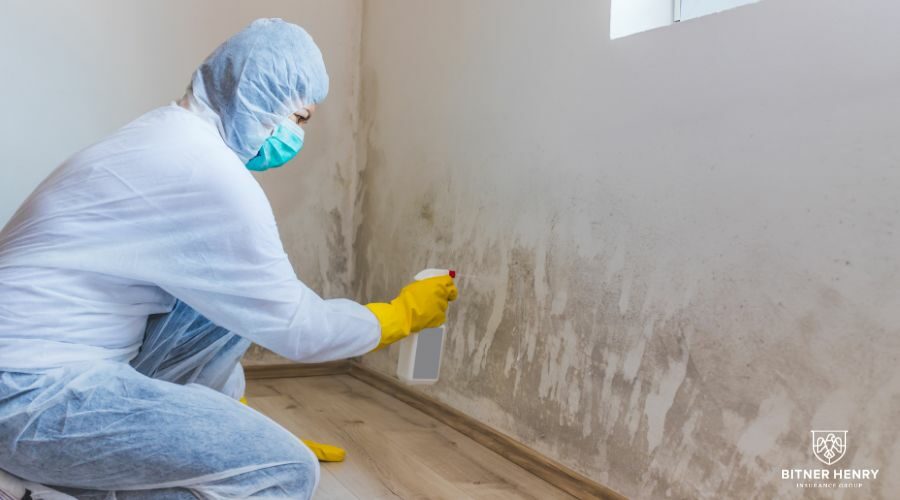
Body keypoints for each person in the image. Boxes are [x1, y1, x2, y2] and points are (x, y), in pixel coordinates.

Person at [0, 18, 457, 499]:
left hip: (30, 374)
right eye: (299, 119)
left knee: (217, 308)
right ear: (256, 96)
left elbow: (237, 313)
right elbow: (299, 328)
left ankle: (121, 467)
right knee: (286, 471)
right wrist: (397, 316)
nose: (297, 137)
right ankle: (38, 488)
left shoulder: (159, 135)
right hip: (31, 399)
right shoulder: (209, 175)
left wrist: (226, 435)